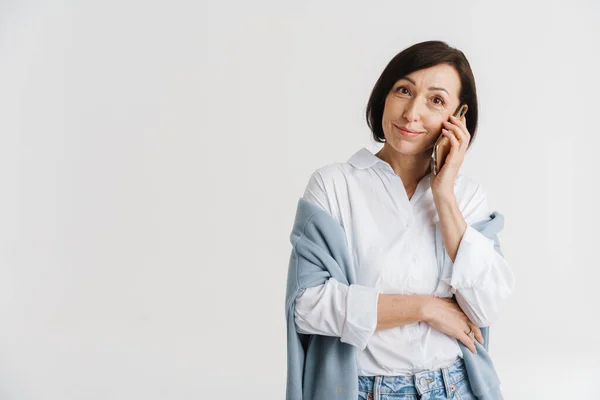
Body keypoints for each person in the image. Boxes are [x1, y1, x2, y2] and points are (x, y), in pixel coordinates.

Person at [293, 40, 515, 399]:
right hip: (362, 389)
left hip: (455, 387)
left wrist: (444, 195)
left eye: (436, 100)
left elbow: (486, 307)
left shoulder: (467, 197)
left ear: (458, 119)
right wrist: (425, 308)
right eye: (404, 90)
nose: (412, 112)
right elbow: (307, 305)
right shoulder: (334, 185)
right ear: (385, 95)